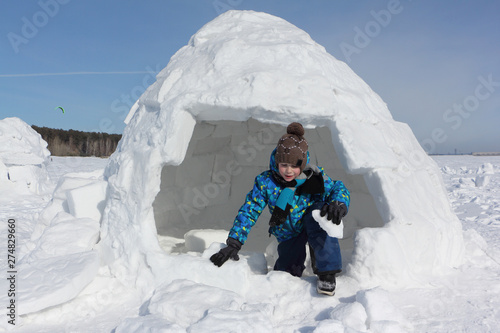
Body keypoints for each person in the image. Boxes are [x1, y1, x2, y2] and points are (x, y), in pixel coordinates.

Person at [210, 122, 350, 296]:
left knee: (320, 213)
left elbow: (338, 188)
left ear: (303, 163)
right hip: (288, 233)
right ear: (277, 162)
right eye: (284, 165)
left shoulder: (314, 177)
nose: (289, 171)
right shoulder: (266, 182)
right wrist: (234, 242)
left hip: (312, 223)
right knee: (285, 278)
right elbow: (250, 209)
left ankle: (327, 273)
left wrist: (339, 203)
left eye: (294, 165)